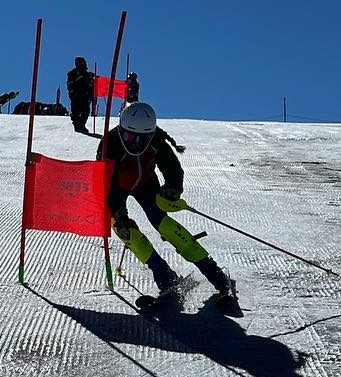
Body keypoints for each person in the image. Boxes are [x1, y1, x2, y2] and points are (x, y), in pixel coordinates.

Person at [100, 102, 239, 311]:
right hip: (117, 189)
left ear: (151, 133)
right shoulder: (109, 144)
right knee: (128, 233)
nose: (136, 143)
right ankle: (164, 277)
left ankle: (217, 276)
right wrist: (116, 211)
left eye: (142, 138)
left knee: (166, 226)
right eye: (131, 137)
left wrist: (173, 188)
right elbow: (102, 181)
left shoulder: (156, 140)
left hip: (146, 185)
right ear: (121, 129)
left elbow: (172, 166)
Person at [66, 58, 95, 135]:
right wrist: (72, 92)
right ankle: (77, 125)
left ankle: (82, 125)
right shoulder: (72, 73)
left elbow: (91, 86)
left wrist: (92, 81)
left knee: (86, 111)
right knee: (76, 111)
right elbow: (70, 84)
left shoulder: (88, 74)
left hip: (85, 95)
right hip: (76, 95)